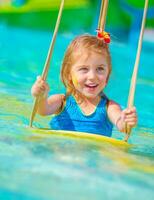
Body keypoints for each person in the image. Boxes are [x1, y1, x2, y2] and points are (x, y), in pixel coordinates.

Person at [31, 34, 137, 137]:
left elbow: (121, 125)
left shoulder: (110, 107)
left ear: (107, 76)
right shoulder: (61, 101)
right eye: (84, 69)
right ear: (69, 75)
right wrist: (41, 96)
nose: (92, 76)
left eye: (100, 69)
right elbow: (42, 110)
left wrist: (126, 121)